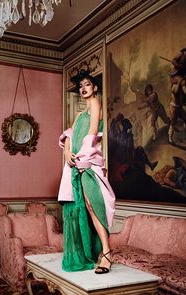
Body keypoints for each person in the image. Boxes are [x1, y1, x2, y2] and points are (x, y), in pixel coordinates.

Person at [58, 70, 116, 274]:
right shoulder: (80, 113)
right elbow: (69, 135)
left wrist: (81, 160)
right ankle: (99, 253)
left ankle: (107, 253)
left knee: (93, 205)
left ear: (95, 88)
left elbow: (92, 134)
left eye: (87, 84)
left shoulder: (96, 103)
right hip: (77, 165)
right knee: (84, 207)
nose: (83, 89)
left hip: (88, 163)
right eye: (80, 86)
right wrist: (66, 152)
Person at [168, 74, 186, 143]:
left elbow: (183, 98)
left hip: (179, 107)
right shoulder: (174, 86)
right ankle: (170, 138)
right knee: (173, 123)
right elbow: (175, 92)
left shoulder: (181, 87)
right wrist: (180, 82)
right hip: (174, 107)